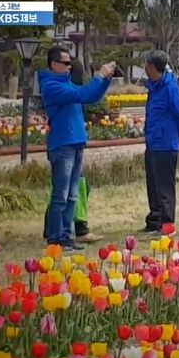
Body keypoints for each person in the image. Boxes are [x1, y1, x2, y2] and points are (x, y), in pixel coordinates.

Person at [38, 46, 114, 251]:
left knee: (72, 195)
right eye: (65, 63)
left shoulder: (66, 84)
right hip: (62, 145)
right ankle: (55, 239)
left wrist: (106, 80)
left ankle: (66, 236)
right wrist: (98, 76)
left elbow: (90, 97)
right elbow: (83, 93)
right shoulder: (51, 86)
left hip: (75, 143)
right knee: (61, 195)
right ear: (53, 64)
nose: (69, 66)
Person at [142, 50, 179, 235]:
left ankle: (167, 223)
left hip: (166, 144)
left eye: (146, 64)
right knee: (153, 185)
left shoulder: (170, 87)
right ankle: (155, 220)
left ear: (153, 67)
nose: (144, 68)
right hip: (152, 143)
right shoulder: (154, 87)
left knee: (164, 187)